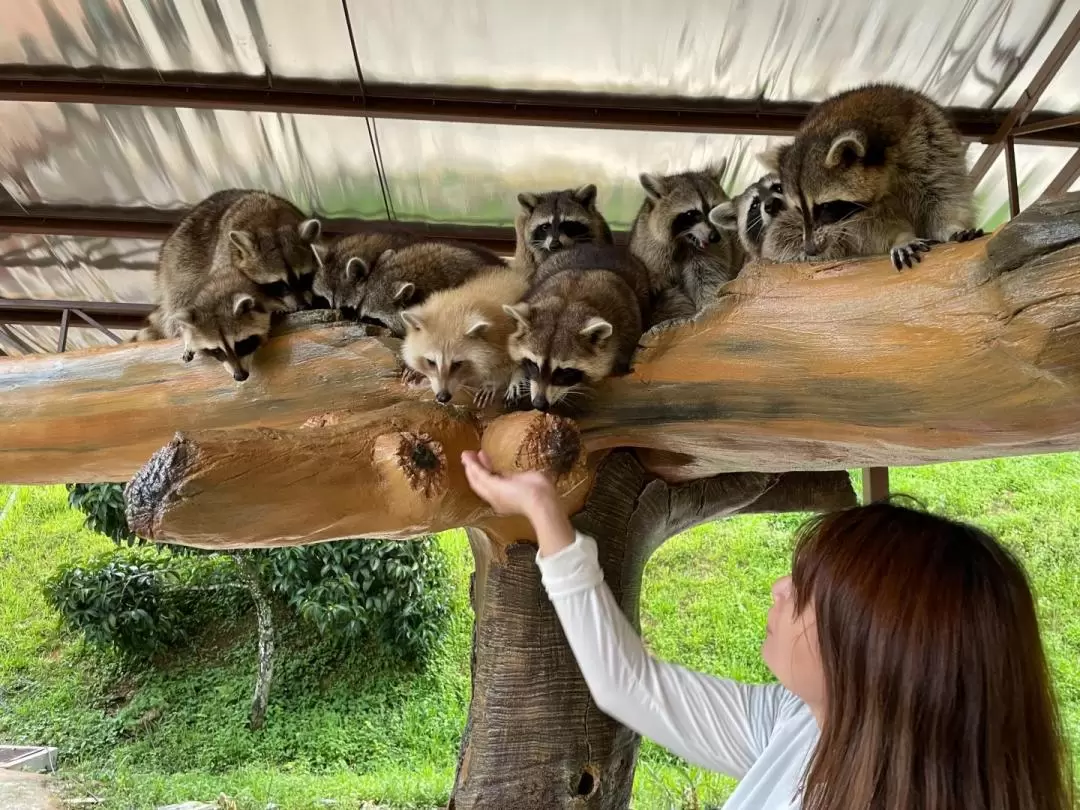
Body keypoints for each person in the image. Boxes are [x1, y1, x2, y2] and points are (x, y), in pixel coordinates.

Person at [461, 450, 1075, 810]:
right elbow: (629, 686)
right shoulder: (807, 725)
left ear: (874, 648)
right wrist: (545, 513)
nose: (780, 591)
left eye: (806, 592)